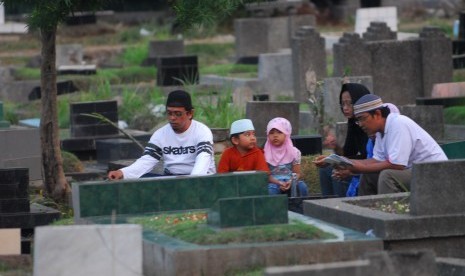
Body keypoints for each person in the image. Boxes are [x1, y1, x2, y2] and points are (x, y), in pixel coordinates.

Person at [341, 94, 448, 195]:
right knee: (368, 175)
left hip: (435, 173)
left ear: (377, 114)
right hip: (415, 172)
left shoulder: (398, 123)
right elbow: (376, 160)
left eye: (362, 118)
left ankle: (389, 213)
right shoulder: (380, 132)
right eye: (358, 120)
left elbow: (397, 165)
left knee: (387, 176)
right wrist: (347, 163)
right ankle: (367, 212)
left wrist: (357, 168)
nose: (360, 124)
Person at [107, 90, 216, 179]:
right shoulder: (160, 134)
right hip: (171, 180)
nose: (172, 118)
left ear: (190, 114)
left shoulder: (202, 132)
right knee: (140, 179)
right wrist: (122, 173)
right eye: (169, 113)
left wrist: (190, 182)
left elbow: (203, 160)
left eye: (178, 114)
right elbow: (147, 160)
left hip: (201, 180)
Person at [313, 83, 371, 197]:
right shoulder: (353, 123)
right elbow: (348, 153)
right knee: (325, 169)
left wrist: (341, 163)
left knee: (337, 170)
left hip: (369, 169)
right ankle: (328, 206)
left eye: (350, 103)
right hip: (360, 164)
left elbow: (369, 157)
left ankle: (340, 206)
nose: (345, 108)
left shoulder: (370, 123)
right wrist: (335, 148)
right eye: (343, 103)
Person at [264, 117, 309, 197]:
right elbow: (267, 176)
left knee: (302, 187)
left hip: (291, 181)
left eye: (279, 132)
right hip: (273, 183)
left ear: (286, 134)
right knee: (270, 190)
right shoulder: (265, 153)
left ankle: (300, 208)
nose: (275, 136)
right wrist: (279, 183)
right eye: (271, 133)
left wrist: (290, 181)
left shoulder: (294, 152)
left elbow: (297, 173)